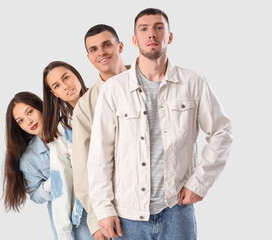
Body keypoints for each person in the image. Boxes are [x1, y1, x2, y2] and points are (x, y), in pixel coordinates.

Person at [87, 8, 233, 239]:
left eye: (158, 27)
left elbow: (221, 132)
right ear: (135, 40)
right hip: (128, 216)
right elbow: (99, 155)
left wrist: (199, 182)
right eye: (143, 29)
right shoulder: (114, 89)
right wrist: (103, 209)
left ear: (169, 36)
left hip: (177, 210)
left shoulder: (193, 82)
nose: (151, 34)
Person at [72, 24, 129, 240]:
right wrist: (96, 220)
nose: (101, 52)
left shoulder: (151, 81)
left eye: (107, 44)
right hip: (118, 213)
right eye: (94, 49)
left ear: (120, 46)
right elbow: (82, 166)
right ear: (88, 57)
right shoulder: (86, 106)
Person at [42, 60, 93, 239]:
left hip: (126, 204)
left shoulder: (105, 101)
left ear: (76, 74)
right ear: (53, 92)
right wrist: (64, 233)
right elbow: (61, 181)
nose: (65, 86)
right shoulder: (61, 132)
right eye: (57, 85)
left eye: (66, 77)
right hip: (87, 213)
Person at [3, 91, 58, 239]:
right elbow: (35, 195)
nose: (28, 121)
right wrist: (50, 185)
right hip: (68, 221)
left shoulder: (68, 127)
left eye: (30, 112)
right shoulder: (29, 159)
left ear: (40, 108)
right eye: (20, 121)